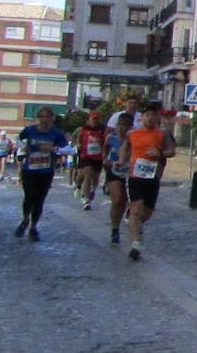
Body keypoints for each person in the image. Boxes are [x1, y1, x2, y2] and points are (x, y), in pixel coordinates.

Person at [118, 105, 176, 262]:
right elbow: (125, 148)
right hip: (136, 176)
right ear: (141, 118)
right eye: (147, 115)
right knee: (137, 208)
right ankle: (136, 244)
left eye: (153, 115)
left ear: (157, 118)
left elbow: (172, 151)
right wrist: (121, 160)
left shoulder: (163, 134)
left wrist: (160, 153)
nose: (150, 118)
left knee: (147, 212)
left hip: (153, 176)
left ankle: (133, 222)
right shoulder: (132, 133)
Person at [17, 107, 68, 241]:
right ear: (38, 118)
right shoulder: (30, 130)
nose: (45, 120)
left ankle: (34, 227)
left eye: (47, 117)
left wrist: (55, 148)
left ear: (52, 118)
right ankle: (25, 219)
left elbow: (68, 148)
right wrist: (24, 147)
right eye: (42, 117)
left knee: (39, 200)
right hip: (29, 170)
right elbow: (19, 139)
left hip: (46, 171)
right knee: (29, 197)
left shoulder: (56, 133)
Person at [103, 112, 132, 244]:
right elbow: (105, 150)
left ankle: (118, 222)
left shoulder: (133, 138)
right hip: (114, 170)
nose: (122, 128)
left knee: (124, 200)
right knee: (117, 199)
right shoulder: (110, 137)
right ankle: (115, 228)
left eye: (125, 126)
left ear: (130, 126)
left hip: (129, 171)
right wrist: (105, 160)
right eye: (120, 125)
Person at [74, 111, 106, 210]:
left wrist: (100, 143)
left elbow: (106, 144)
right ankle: (85, 199)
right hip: (86, 155)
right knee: (86, 175)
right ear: (89, 119)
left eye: (97, 119)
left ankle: (92, 190)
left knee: (95, 178)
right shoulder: (83, 129)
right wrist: (78, 144)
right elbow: (78, 139)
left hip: (98, 157)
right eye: (93, 119)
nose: (95, 121)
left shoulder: (102, 129)